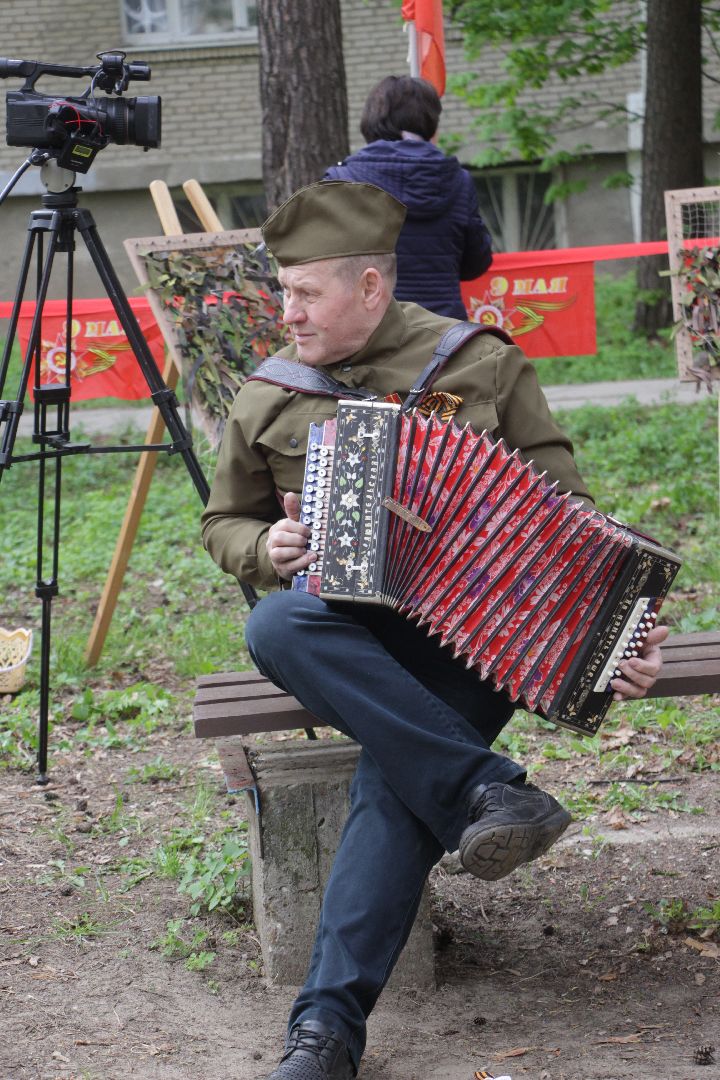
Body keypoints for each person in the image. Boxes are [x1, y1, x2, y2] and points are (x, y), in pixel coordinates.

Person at [201, 180, 667, 1080]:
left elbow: (576, 518)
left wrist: (626, 634)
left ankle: (325, 1034)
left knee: (396, 782)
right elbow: (224, 523)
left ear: (371, 287)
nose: (287, 312)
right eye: (284, 291)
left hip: (477, 644)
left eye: (306, 293)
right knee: (278, 622)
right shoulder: (268, 394)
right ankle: (489, 788)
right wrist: (268, 545)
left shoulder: (477, 364)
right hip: (347, 639)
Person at [324, 74, 492, 320]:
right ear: (430, 120)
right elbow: (476, 262)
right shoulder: (458, 180)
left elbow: (324, 265)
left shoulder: (342, 180)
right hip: (444, 329)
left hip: (371, 329)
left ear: (372, 119)